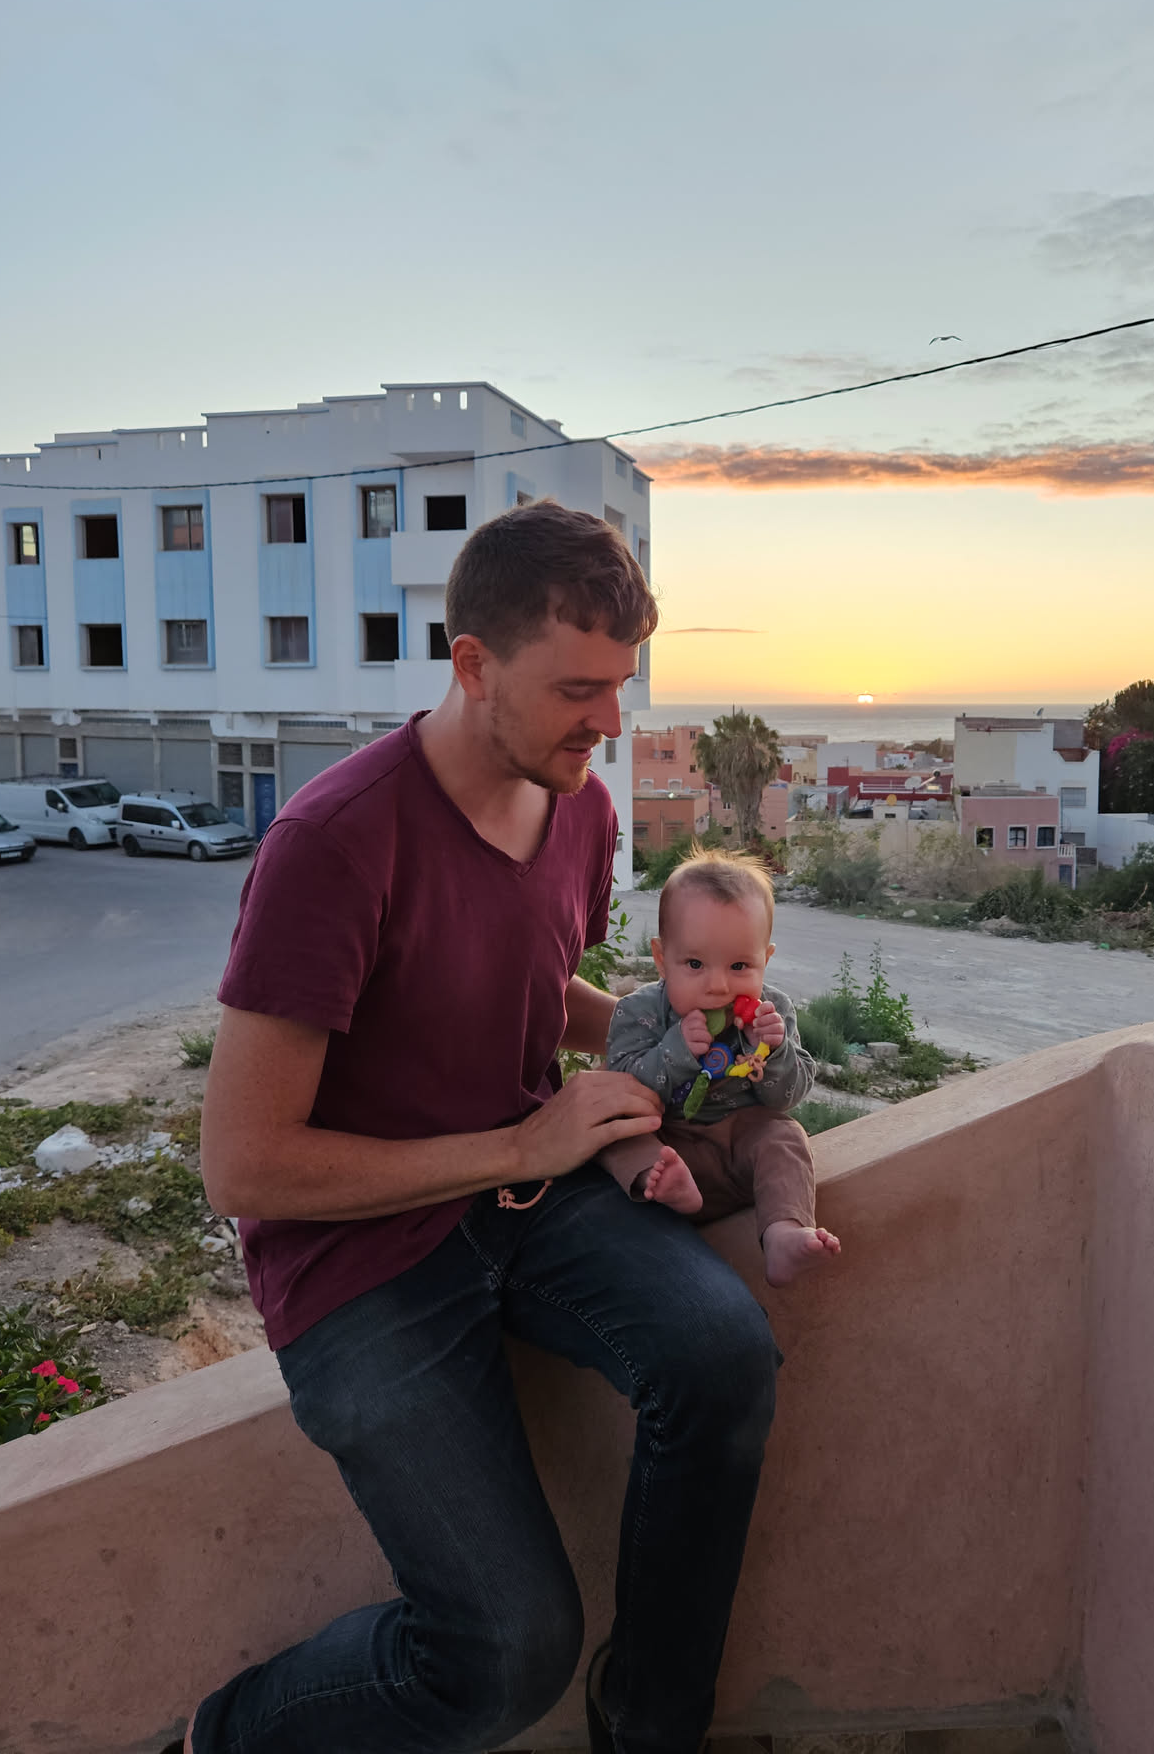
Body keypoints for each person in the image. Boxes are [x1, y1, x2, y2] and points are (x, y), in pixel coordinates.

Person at [174, 500, 781, 1754]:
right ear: (472, 666)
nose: (610, 723)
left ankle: (649, 1724)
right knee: (504, 1656)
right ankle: (224, 1738)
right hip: (358, 1262)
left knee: (723, 1357)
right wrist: (522, 1148)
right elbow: (242, 1164)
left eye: (621, 685)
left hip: (529, 1201)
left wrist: (679, 1040)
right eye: (577, 690)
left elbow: (525, 980)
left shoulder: (581, 808)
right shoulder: (333, 842)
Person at [598, 849, 842, 1286]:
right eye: (694, 964)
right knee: (615, 1132)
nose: (718, 986)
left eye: (739, 966)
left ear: (765, 958)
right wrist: (675, 1049)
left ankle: (784, 1232)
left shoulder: (773, 1011)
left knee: (784, 1135)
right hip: (666, 1140)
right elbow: (623, 1087)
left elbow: (788, 1097)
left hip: (737, 1142)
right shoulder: (638, 1012)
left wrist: (774, 1050)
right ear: (661, 958)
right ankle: (668, 1185)